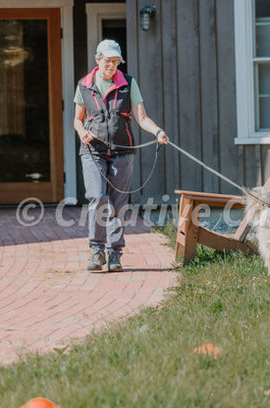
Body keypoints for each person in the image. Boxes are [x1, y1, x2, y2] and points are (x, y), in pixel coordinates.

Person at [73, 39, 168, 272]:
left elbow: (141, 117)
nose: (111, 66)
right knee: (97, 197)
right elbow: (77, 119)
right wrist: (82, 132)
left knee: (118, 203)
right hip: (93, 150)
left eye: (116, 61)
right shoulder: (84, 85)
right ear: (98, 60)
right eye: (108, 61)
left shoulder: (128, 83)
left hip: (122, 151)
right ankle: (97, 251)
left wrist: (158, 131)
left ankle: (115, 253)